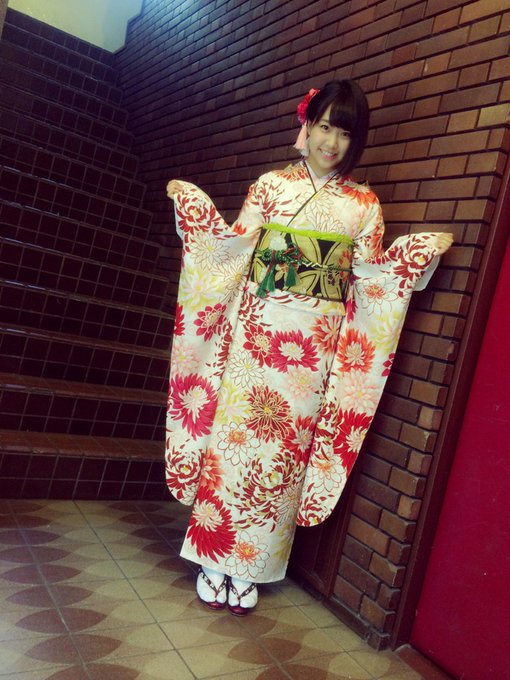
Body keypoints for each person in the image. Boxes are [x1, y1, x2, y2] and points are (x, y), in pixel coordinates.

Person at [164, 80, 453, 616]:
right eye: (324, 128)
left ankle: (250, 566)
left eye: (345, 134)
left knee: (282, 455)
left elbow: (368, 278)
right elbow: (234, 249)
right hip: (257, 335)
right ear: (308, 126)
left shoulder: (363, 205)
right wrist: (198, 217)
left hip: (313, 350)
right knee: (234, 444)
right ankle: (211, 556)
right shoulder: (272, 186)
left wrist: (410, 257)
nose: (332, 143)